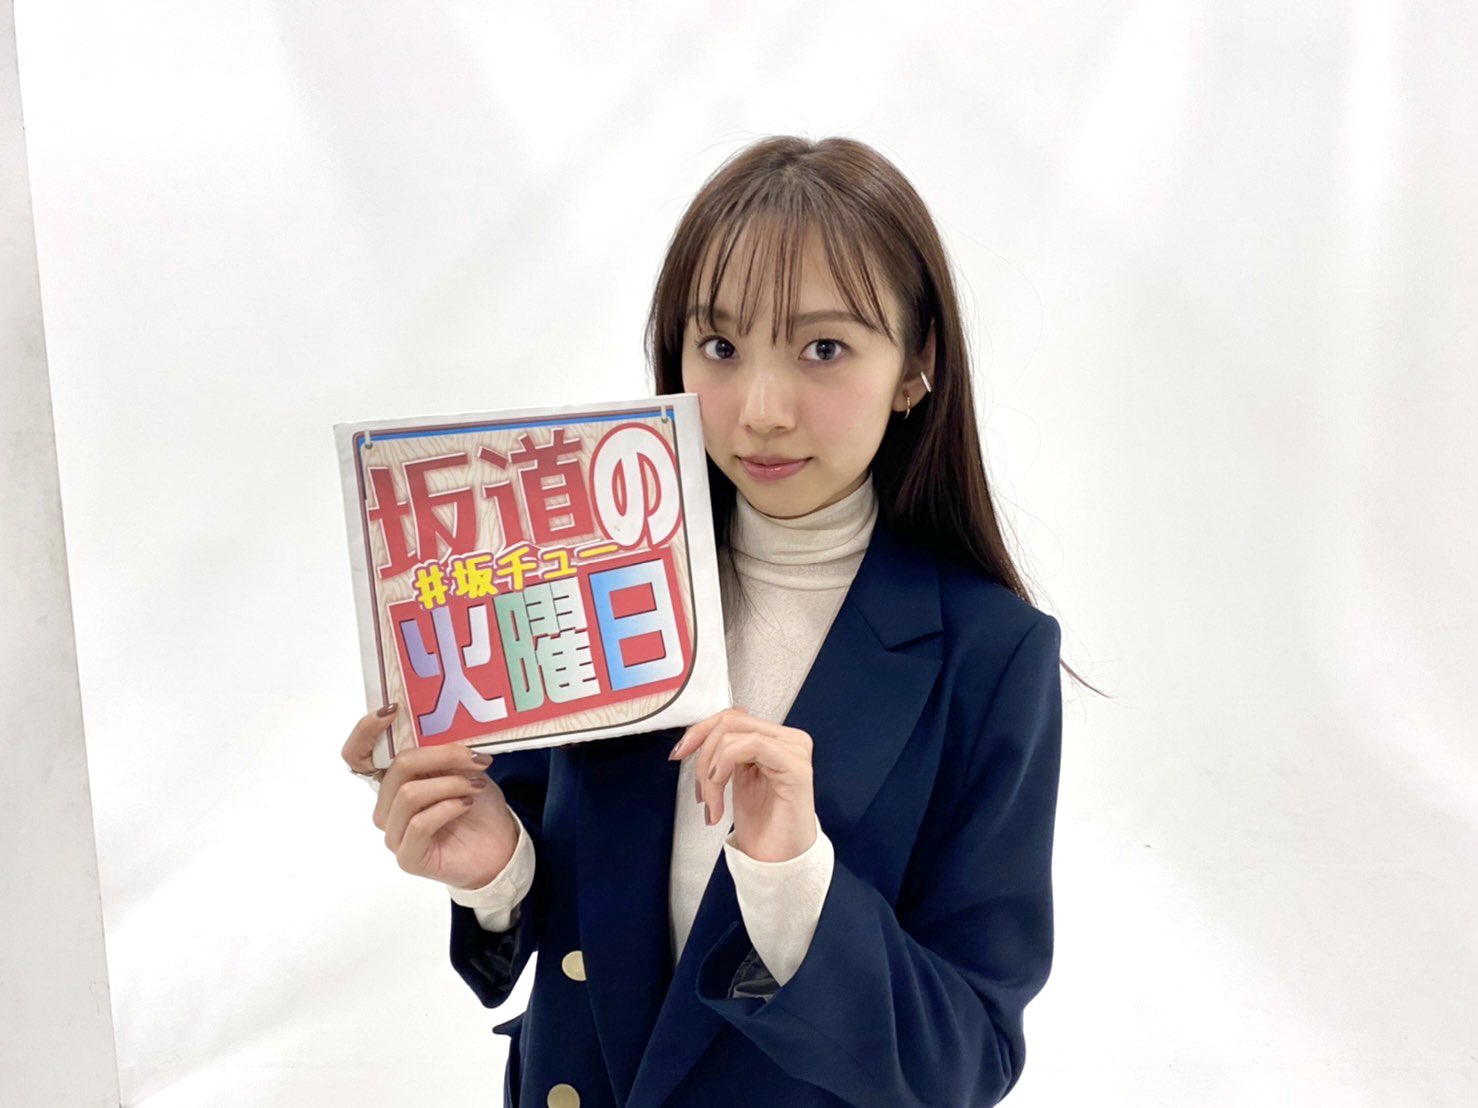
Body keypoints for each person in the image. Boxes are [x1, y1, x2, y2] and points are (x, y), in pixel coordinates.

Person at [342, 134, 1085, 1107]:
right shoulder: (586, 571)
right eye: (721, 348)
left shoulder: (991, 657)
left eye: (823, 348)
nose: (761, 410)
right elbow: (574, 918)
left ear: (917, 365)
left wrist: (796, 884)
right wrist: (498, 869)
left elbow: (968, 1055)